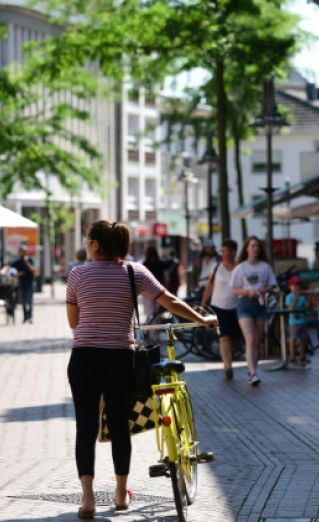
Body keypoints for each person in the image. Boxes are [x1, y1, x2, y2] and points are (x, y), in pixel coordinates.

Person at [66, 219, 217, 519]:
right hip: (120, 359)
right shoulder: (135, 272)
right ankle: (121, 496)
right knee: (120, 427)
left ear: (95, 245)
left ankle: (88, 501)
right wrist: (202, 320)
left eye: (87, 241)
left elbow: (74, 323)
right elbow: (171, 301)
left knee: (86, 428)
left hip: (84, 359)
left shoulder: (78, 274)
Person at [230, 236, 277, 386]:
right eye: (253, 245)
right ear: (247, 248)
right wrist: (247, 292)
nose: (255, 248)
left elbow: (272, 285)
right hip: (245, 304)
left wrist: (264, 289)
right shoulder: (240, 268)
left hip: (260, 303)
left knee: (257, 341)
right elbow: (234, 288)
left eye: (258, 246)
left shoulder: (265, 267)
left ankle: (253, 369)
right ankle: (252, 372)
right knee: (250, 340)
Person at [200, 239, 240, 380]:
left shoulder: (240, 268)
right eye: (222, 251)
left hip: (236, 307)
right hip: (219, 307)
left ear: (234, 252)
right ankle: (227, 365)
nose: (223, 254)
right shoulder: (216, 268)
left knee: (234, 340)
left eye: (226, 251)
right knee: (224, 337)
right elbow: (208, 288)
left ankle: (229, 359)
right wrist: (203, 306)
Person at [285, 275, 310, 368]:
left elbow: (306, 306)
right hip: (294, 322)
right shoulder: (289, 297)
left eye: (298, 285)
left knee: (303, 339)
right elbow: (289, 308)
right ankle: (292, 357)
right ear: (290, 287)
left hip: (303, 321)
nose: (296, 287)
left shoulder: (302, 297)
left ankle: (302, 356)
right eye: (294, 285)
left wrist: (308, 303)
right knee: (293, 339)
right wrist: (294, 302)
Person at [9, 247, 38, 324]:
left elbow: (34, 272)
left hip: (30, 283)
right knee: (24, 301)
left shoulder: (30, 260)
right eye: (21, 252)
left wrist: (26, 262)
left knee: (29, 301)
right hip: (21, 283)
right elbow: (10, 268)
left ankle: (30, 317)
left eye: (24, 251)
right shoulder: (17, 262)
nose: (23, 253)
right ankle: (25, 317)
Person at [141, 246, 166, 318]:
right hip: (158, 288)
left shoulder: (145, 263)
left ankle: (151, 327)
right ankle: (155, 327)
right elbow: (165, 276)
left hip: (147, 289)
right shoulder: (160, 263)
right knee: (157, 310)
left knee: (149, 310)